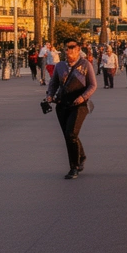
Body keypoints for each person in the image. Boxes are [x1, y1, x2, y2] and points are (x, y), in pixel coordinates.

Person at [45, 39, 98, 179]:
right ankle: (81, 156)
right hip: (62, 105)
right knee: (69, 135)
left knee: (71, 134)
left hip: (79, 105)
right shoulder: (60, 66)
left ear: (78, 48)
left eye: (71, 47)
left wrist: (83, 97)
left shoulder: (85, 65)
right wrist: (49, 96)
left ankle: (74, 167)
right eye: (66, 48)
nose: (68, 51)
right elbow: (53, 84)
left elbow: (93, 85)